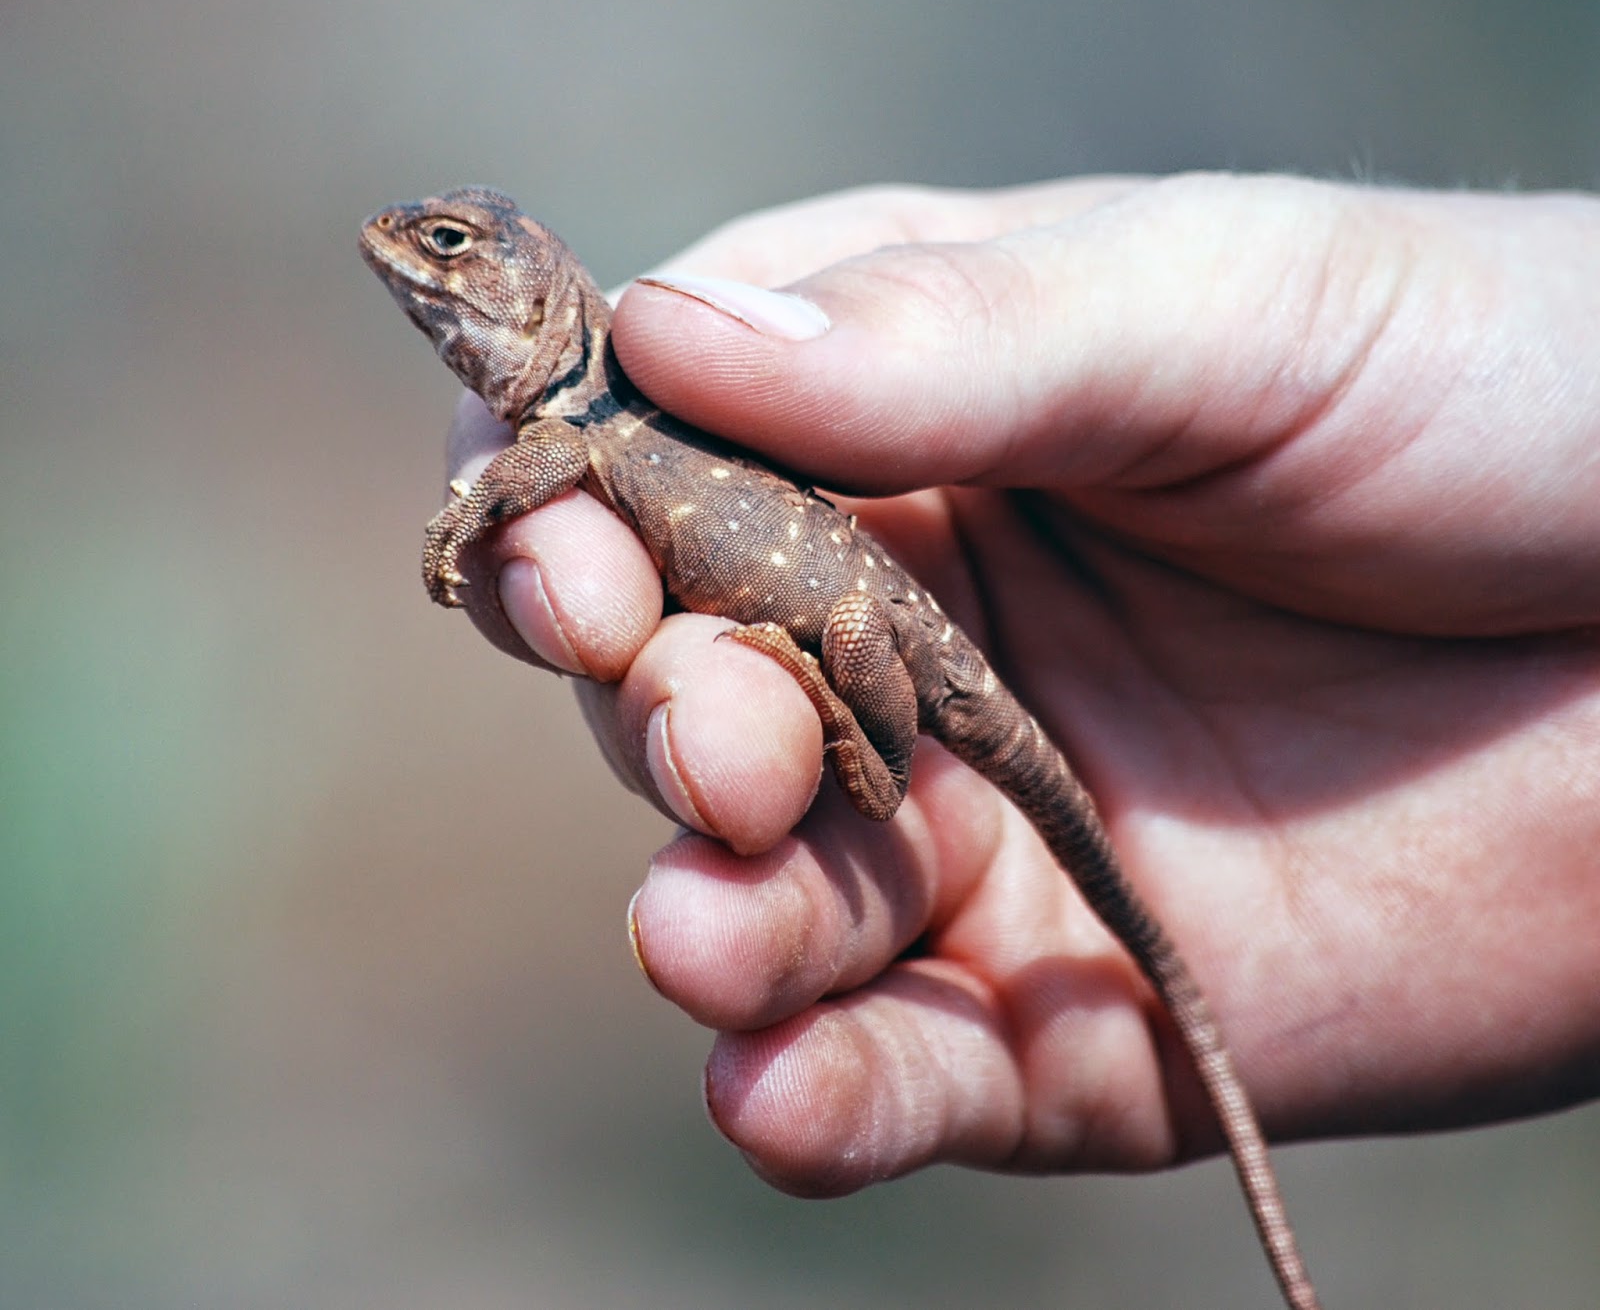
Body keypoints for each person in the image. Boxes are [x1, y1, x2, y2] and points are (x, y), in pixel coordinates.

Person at [440, 172, 1600, 1193]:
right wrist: (475, 507)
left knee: (836, 641)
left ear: (531, 295)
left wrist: (464, 516)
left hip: (876, 630)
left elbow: (537, 470)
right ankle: (860, 747)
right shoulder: (582, 415)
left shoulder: (597, 404)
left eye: (448, 248)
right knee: (730, 754)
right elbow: (544, 462)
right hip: (905, 621)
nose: (419, 261)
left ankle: (876, 770)